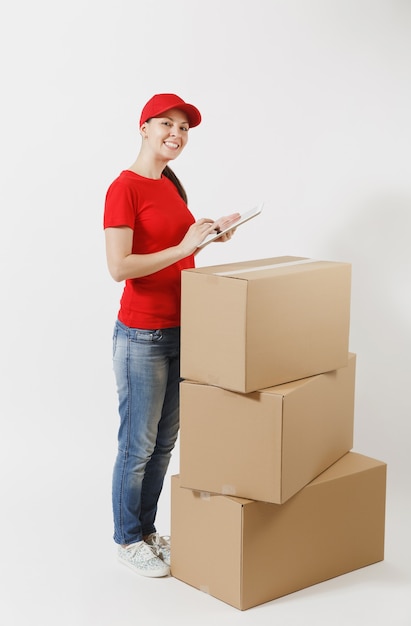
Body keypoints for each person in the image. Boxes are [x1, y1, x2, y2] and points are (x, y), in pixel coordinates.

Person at [103, 93, 239, 578]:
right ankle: (126, 538)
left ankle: (146, 530)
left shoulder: (171, 185)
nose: (176, 134)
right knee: (136, 445)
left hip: (185, 328)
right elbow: (119, 267)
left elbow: (176, 250)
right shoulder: (126, 187)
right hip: (143, 335)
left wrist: (207, 237)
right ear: (144, 127)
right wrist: (183, 244)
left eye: (184, 128)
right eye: (167, 124)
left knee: (163, 444)